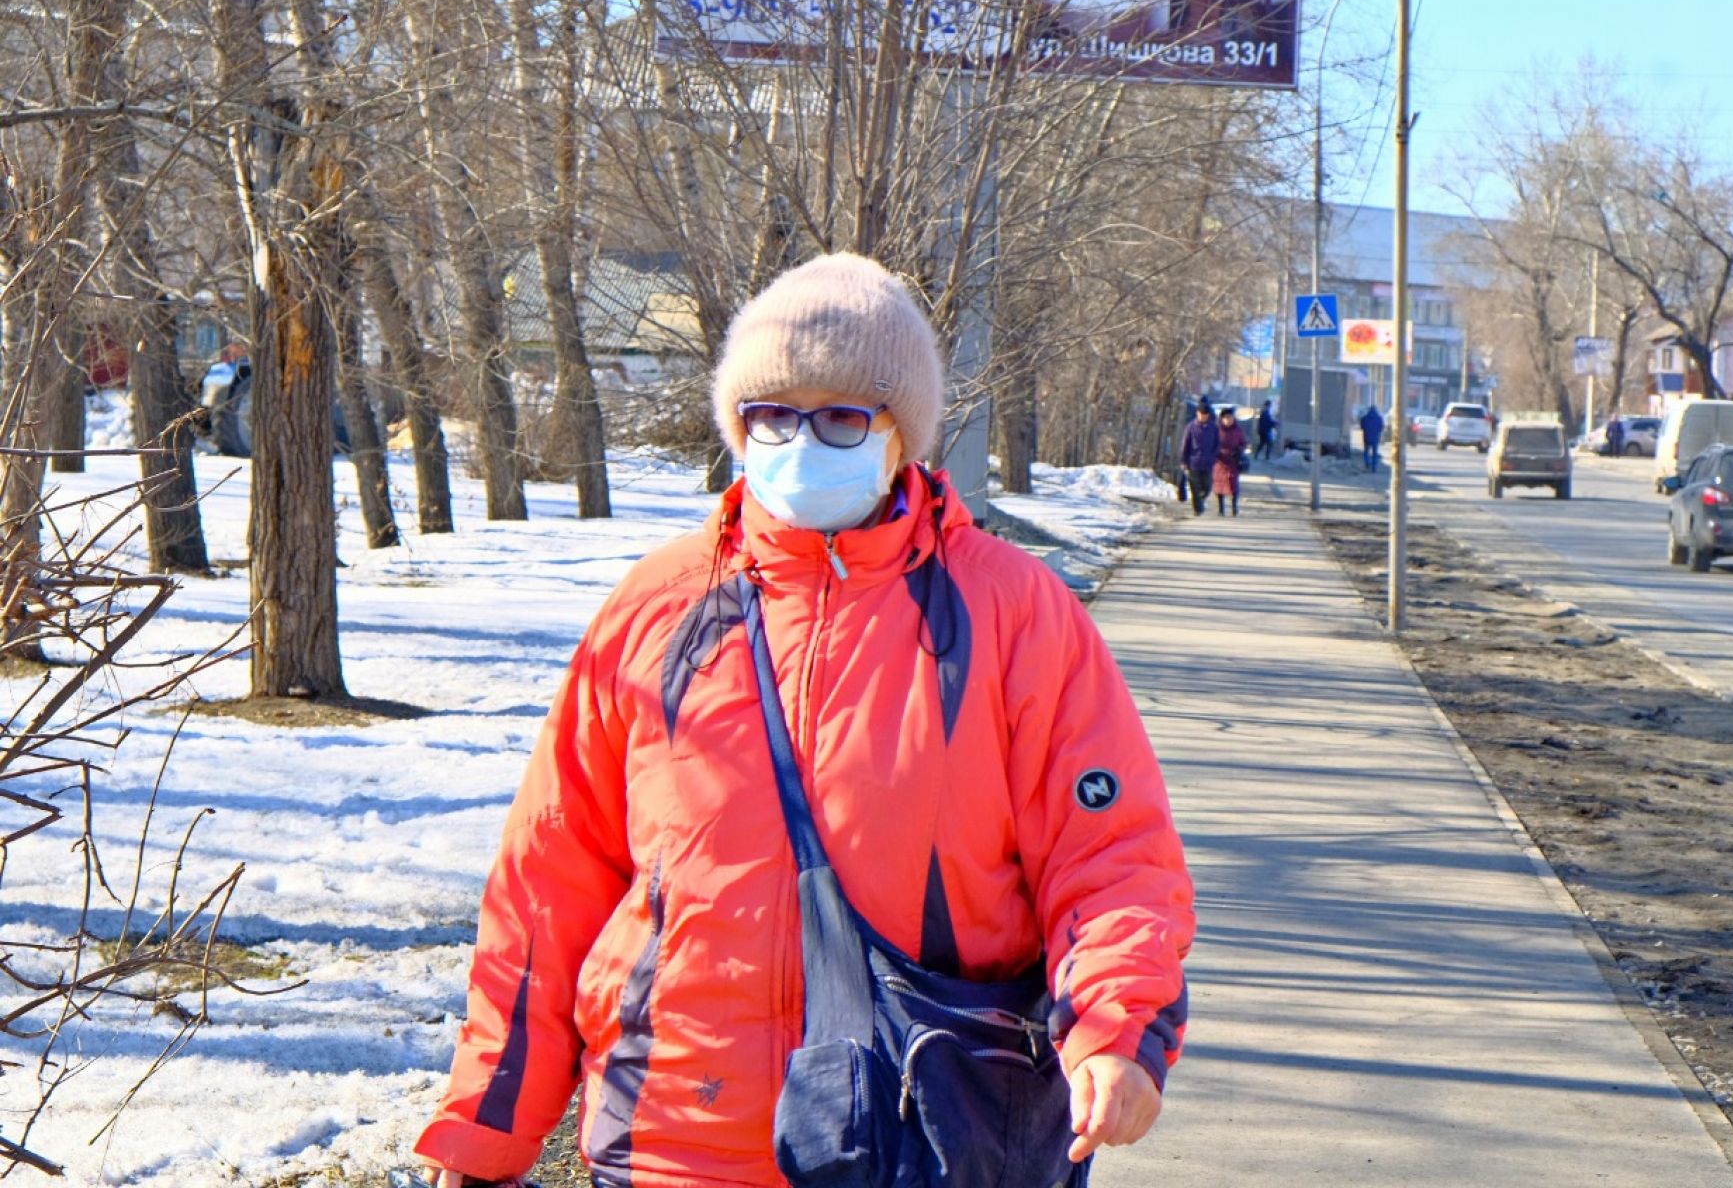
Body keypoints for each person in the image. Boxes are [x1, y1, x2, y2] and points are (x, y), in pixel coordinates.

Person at [413, 253, 1194, 1188]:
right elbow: (550, 881)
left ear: (900, 435)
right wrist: (485, 1130)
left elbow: (1112, 860)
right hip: (671, 1139)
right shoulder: (658, 608)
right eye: (773, 415)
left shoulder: (1015, 614)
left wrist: (1116, 1031)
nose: (800, 440)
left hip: (929, 1134)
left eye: (840, 416)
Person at [1179, 402, 1220, 517]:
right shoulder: (1191, 427)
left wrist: (1214, 456)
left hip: (1208, 462)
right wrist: (1183, 460)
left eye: (1205, 414)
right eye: (1201, 414)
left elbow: (1217, 444)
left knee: (1207, 487)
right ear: (1197, 414)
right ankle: (1197, 508)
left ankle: (1200, 501)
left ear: (1208, 415)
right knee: (1194, 486)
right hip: (1193, 462)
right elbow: (1185, 444)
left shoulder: (1213, 428)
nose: (1202, 416)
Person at [1213, 406, 1249, 516]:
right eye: (1226, 418)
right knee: (1219, 485)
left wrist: (1239, 450)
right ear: (1222, 419)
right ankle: (1221, 508)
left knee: (1233, 484)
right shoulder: (1216, 430)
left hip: (1233, 460)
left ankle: (1234, 507)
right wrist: (1216, 452)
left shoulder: (1237, 430)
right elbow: (1211, 443)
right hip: (1219, 461)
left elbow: (1243, 443)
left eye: (1230, 418)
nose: (1229, 420)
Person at [1360, 404, 1385, 473]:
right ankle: (1374, 468)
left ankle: (1367, 462)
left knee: (1366, 452)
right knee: (1375, 454)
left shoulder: (1365, 418)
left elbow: (1362, 427)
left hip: (1367, 437)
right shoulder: (1379, 418)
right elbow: (1381, 428)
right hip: (1375, 438)